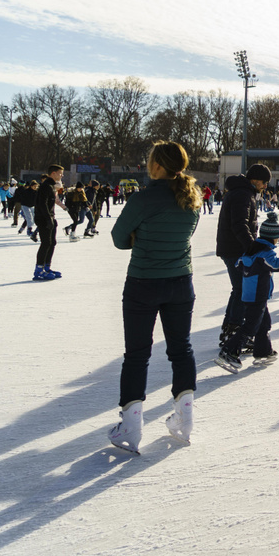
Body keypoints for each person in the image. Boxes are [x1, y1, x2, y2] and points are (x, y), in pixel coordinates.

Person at [107, 142, 201, 454]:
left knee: (136, 354)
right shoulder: (191, 199)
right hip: (179, 283)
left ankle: (131, 426)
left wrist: (140, 236)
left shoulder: (143, 199)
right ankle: (184, 419)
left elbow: (119, 238)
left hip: (143, 283)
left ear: (157, 165)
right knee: (181, 349)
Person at [216, 212, 279, 373]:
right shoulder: (265, 254)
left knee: (263, 324)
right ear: (273, 237)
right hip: (256, 296)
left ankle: (263, 351)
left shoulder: (251, 250)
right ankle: (229, 352)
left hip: (250, 295)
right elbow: (278, 265)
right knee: (250, 326)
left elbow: (239, 264)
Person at [215, 164, 268, 343]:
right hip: (235, 249)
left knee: (238, 289)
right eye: (263, 182)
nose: (265, 186)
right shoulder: (242, 194)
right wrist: (251, 246)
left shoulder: (242, 192)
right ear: (254, 180)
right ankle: (233, 329)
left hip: (232, 247)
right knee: (241, 290)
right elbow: (239, 224)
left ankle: (230, 327)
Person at [33, 166, 65, 280]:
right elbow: (42, 204)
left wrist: (51, 219)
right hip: (43, 218)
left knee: (52, 243)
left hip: (50, 217)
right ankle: (38, 270)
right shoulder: (46, 186)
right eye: (60, 173)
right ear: (53, 173)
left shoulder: (52, 185)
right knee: (46, 243)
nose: (62, 176)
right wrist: (47, 219)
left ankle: (47, 267)